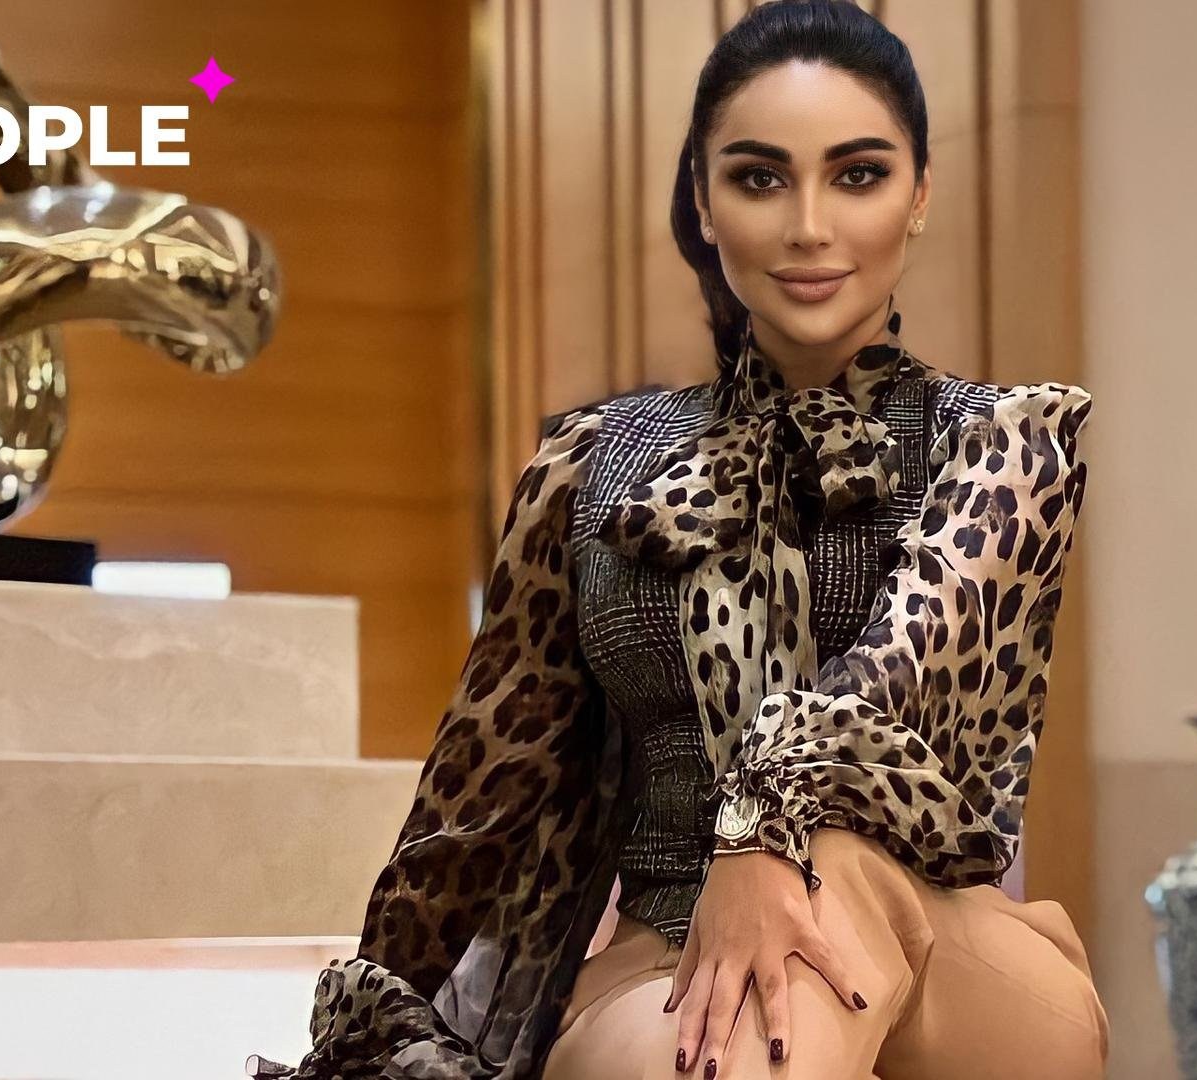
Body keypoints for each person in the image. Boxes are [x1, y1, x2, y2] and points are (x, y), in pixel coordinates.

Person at [246, 2, 1106, 1077]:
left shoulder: (1004, 442)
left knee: (835, 878)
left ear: (919, 194)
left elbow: (897, 684)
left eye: (857, 175)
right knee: (716, 1047)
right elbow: (483, 797)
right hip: (668, 954)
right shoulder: (591, 465)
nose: (809, 226)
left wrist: (763, 832)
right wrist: (372, 1018)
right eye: (760, 178)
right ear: (703, 200)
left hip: (954, 957)